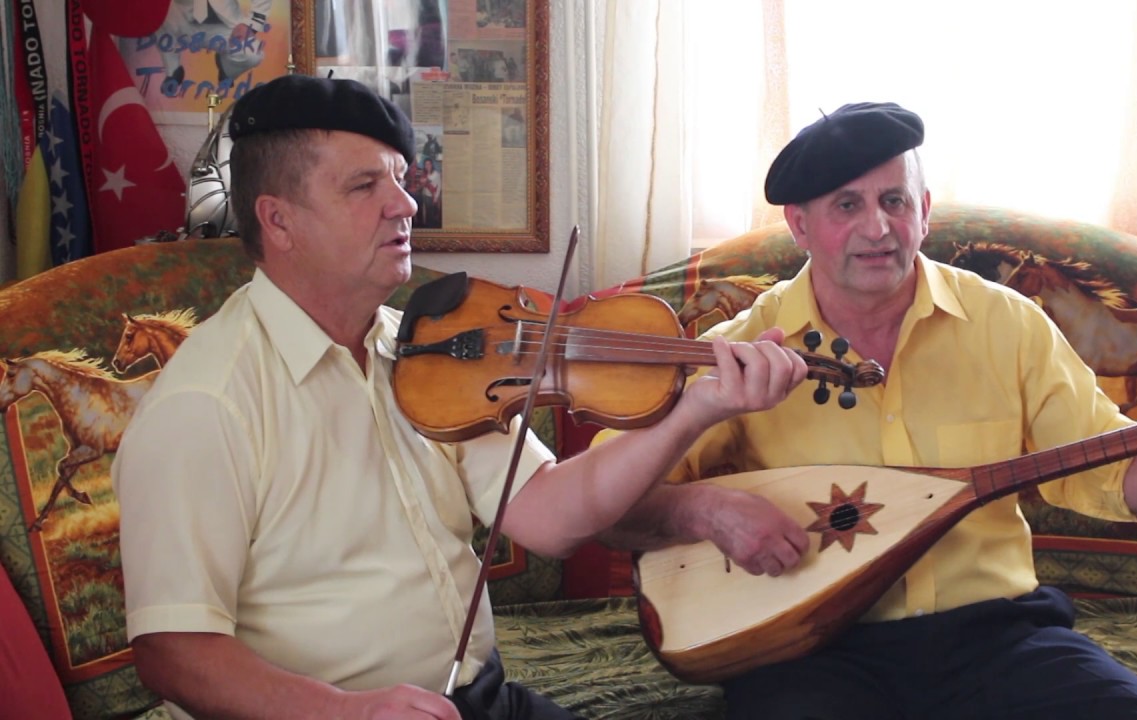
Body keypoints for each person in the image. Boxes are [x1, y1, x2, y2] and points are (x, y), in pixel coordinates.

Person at [111, 74, 808, 720]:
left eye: (398, 179)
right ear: (279, 220)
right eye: (364, 186)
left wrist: (698, 406)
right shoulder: (205, 403)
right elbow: (174, 653)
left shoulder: (429, 347)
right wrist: (346, 711)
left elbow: (550, 517)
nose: (406, 203)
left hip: (480, 700)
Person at [598, 102, 1137, 719]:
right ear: (800, 225)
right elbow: (604, 504)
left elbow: (1115, 472)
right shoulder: (742, 349)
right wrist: (704, 511)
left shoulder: (1006, 324)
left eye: (894, 200)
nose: (877, 227)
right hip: (808, 649)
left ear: (923, 210)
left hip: (998, 638)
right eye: (847, 205)